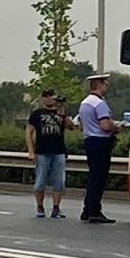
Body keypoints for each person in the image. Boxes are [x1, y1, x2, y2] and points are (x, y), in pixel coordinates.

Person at [78, 73, 121, 223]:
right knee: (99, 178)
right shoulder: (99, 103)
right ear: (100, 85)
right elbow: (104, 125)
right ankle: (95, 211)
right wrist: (116, 128)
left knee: (93, 177)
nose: (106, 87)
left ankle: (87, 210)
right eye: (105, 84)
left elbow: (81, 125)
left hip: (89, 140)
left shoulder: (84, 103)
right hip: (101, 142)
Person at [26, 88, 74, 218]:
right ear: (43, 98)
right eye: (46, 96)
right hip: (42, 151)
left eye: (51, 96)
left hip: (58, 151)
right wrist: (31, 151)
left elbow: (71, 126)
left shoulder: (60, 113)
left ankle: (56, 207)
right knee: (40, 181)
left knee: (59, 181)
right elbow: (29, 132)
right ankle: (40, 206)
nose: (49, 98)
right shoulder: (37, 114)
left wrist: (63, 115)